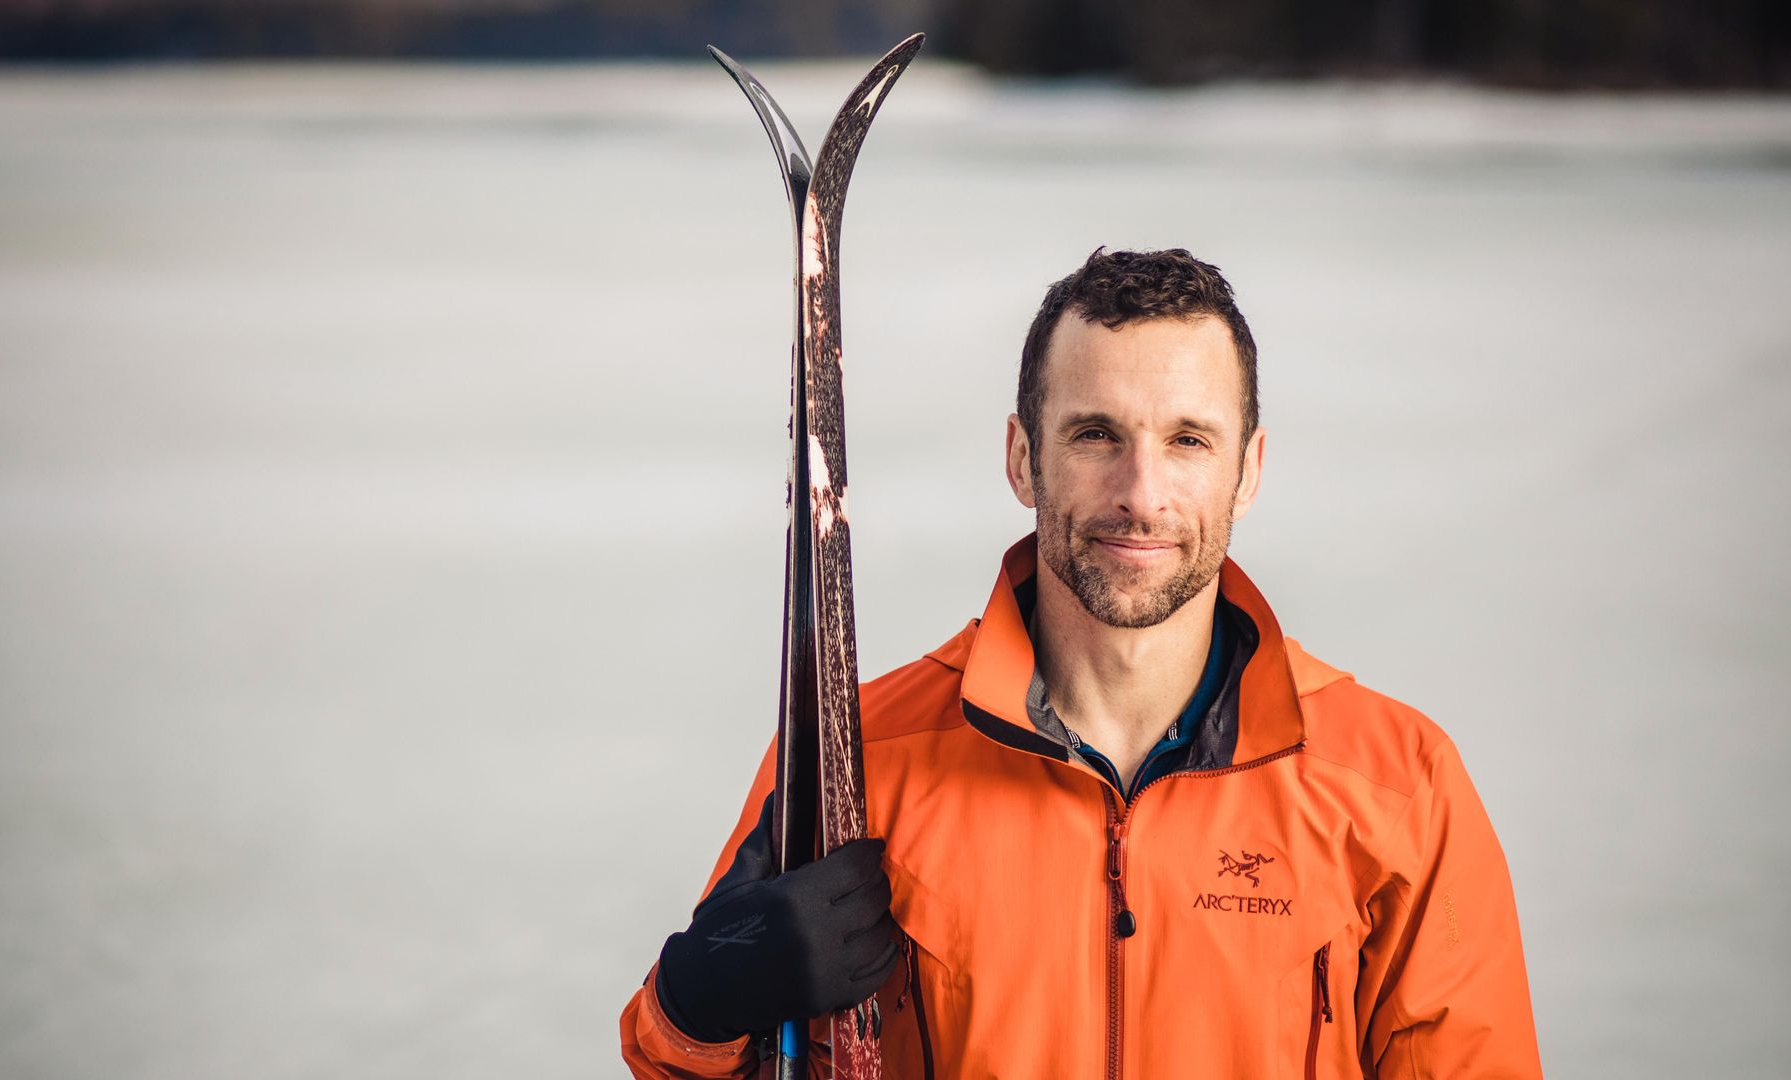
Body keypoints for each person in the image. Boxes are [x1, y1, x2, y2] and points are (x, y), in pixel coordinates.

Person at [619, 248, 1542, 1078]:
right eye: (1095, 435)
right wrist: (697, 1009)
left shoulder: (1394, 785)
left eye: (1188, 440)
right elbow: (686, 1064)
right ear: (1024, 459)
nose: (1141, 494)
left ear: (1248, 472)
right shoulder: (857, 759)